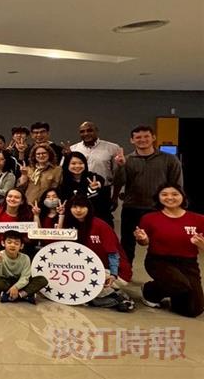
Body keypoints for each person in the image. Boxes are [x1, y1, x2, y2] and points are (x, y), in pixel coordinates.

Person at [113, 126, 183, 263]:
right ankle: (125, 272)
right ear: (132, 140)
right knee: (127, 244)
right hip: (132, 208)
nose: (142, 140)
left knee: (160, 243)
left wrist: (175, 208)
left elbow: (177, 186)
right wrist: (120, 166)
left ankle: (163, 272)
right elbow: (119, 182)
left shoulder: (170, 160)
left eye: (146, 136)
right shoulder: (127, 160)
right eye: (138, 137)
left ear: (153, 138)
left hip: (159, 209)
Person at [135, 184, 204, 317]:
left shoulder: (199, 219)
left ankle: (176, 293)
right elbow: (143, 243)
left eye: (175, 194)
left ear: (182, 196)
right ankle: (149, 291)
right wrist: (143, 239)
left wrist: (202, 245)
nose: (170, 197)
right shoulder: (149, 218)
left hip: (188, 263)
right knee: (179, 284)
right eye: (164, 194)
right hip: (159, 261)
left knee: (194, 310)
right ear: (158, 197)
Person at [62, 195, 134, 312]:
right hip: (88, 269)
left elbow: (113, 253)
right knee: (76, 290)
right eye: (74, 207)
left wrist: (113, 274)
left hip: (115, 271)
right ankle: (112, 296)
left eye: (82, 207)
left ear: (89, 208)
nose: (78, 210)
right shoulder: (72, 225)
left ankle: (119, 298)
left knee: (83, 291)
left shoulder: (100, 225)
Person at [0, 231, 48, 304]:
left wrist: (16, 287)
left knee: (42, 280)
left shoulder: (25, 258)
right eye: (9, 242)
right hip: (7, 282)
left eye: (16, 243)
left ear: (21, 246)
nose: (12, 245)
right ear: (3, 243)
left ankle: (11, 295)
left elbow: (25, 277)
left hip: (21, 282)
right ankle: (25, 295)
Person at [60, 151, 111, 225]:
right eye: (73, 163)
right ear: (67, 164)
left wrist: (97, 184)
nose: (77, 166)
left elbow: (101, 180)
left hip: (97, 219)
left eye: (81, 163)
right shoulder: (64, 183)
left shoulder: (91, 177)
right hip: (74, 220)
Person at [69, 122, 123, 187]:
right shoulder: (73, 149)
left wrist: (115, 194)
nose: (86, 134)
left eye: (89, 130)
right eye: (82, 132)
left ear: (96, 131)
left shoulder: (112, 148)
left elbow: (118, 176)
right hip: (79, 190)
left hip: (103, 189)